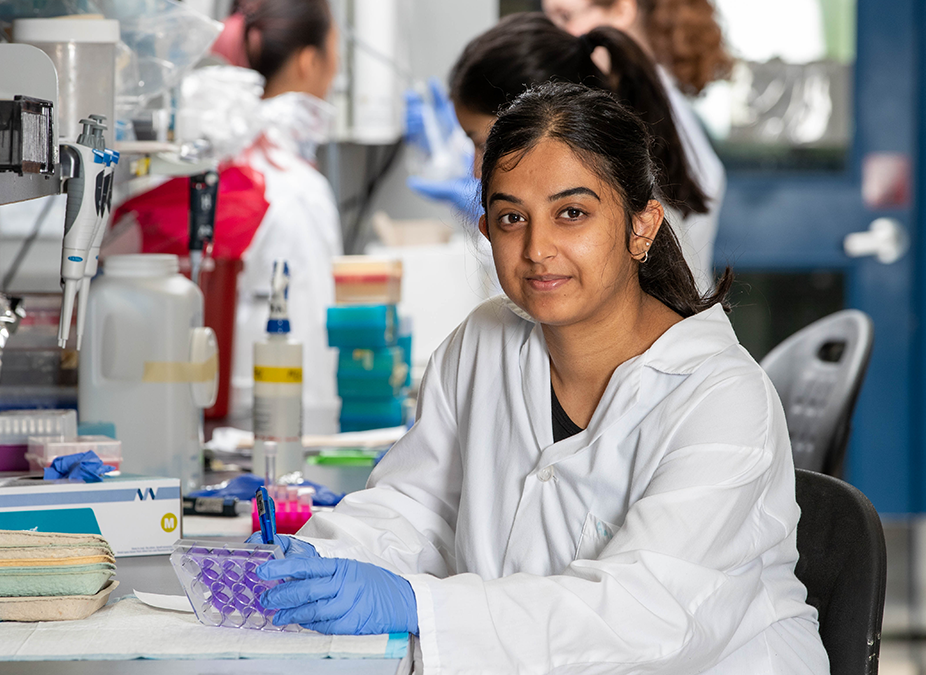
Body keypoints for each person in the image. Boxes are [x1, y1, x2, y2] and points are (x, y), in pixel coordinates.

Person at [249, 82, 830, 674]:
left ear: (642, 226)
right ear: (486, 232)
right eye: (511, 218)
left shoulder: (721, 398)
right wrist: (314, 557)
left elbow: (642, 614)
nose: (537, 247)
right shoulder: (484, 343)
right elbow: (416, 507)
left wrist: (418, 604)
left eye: (571, 213)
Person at [449, 13, 714, 290]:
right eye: (513, 218)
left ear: (547, 119)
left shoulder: (635, 226)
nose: (477, 170)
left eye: (573, 213)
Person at [541, 0, 730, 294]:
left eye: (565, 17)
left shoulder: (650, 124)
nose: (555, 37)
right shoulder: (653, 109)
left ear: (621, 9)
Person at [220, 0, 341, 427]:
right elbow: (305, 339)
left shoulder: (223, 157)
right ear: (310, 61)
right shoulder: (295, 189)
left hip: (226, 415)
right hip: (279, 429)